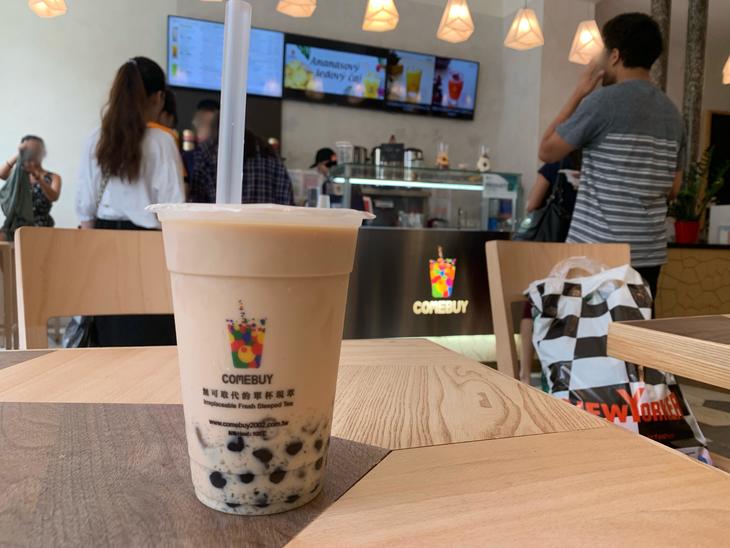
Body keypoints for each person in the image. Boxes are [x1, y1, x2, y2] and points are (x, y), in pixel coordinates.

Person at [538, 12, 684, 301]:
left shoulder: (602, 103)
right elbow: (674, 188)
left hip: (596, 255)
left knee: (583, 329)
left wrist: (579, 92)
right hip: (648, 256)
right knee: (633, 330)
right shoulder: (673, 115)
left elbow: (547, 150)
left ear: (614, 55)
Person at [75, 56, 185, 346]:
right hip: (150, 249)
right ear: (158, 98)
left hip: (102, 245)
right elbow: (173, 208)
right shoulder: (162, 142)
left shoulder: (95, 139)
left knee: (108, 342)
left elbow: (85, 209)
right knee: (152, 341)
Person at [188, 113, 293, 204]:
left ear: (214, 129)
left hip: (220, 221)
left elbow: (195, 202)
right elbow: (287, 202)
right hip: (267, 221)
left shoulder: (207, 154)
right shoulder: (269, 154)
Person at [1, 135, 62, 227]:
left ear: (43, 153)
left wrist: (38, 177)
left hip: (41, 226)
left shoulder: (54, 177)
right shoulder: (18, 175)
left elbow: (53, 197)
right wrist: (20, 154)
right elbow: (2, 174)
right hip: (17, 225)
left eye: (36, 150)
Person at [182, 98, 220, 181]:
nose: (198, 128)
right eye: (199, 122)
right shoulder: (188, 158)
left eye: (204, 124)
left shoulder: (227, 159)